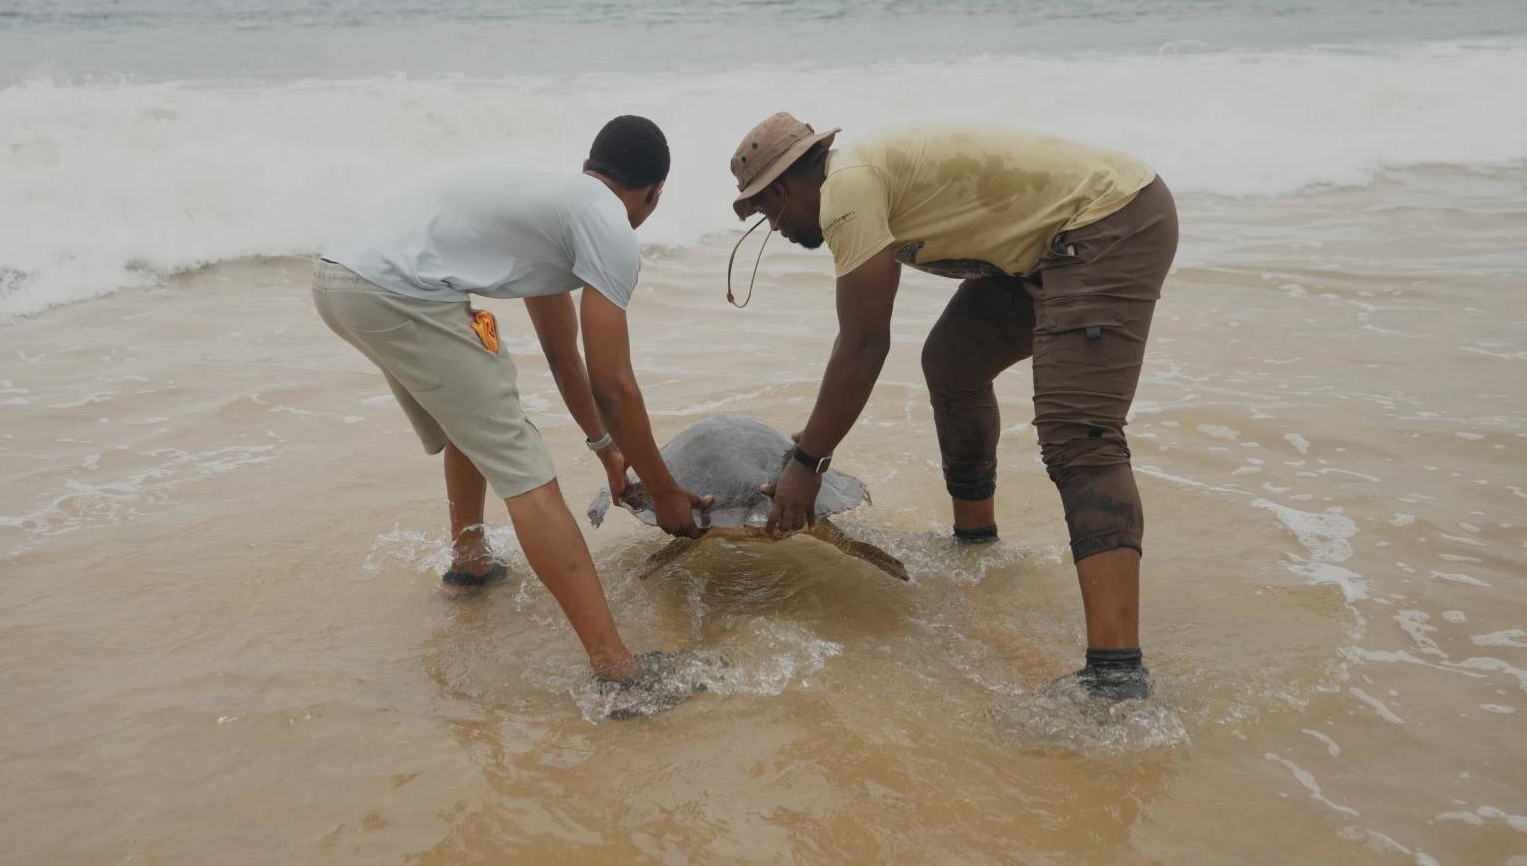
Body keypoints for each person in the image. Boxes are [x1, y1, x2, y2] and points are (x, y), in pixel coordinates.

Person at [726, 113, 1178, 699]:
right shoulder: (860, 181)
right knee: (953, 365)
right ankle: (976, 542)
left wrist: (806, 462)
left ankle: (1116, 675)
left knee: (1078, 435)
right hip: (1041, 249)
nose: (776, 228)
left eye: (767, 213)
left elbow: (863, 343)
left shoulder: (847, 190)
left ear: (783, 189)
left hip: (1108, 223)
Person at [313, 115, 712, 684]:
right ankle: (618, 671)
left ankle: (470, 563)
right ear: (655, 193)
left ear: (590, 168)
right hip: (394, 289)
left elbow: (562, 355)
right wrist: (668, 493)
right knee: (526, 468)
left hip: (338, 278)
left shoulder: (554, 208)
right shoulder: (610, 226)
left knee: (470, 418)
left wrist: (606, 450)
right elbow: (614, 385)